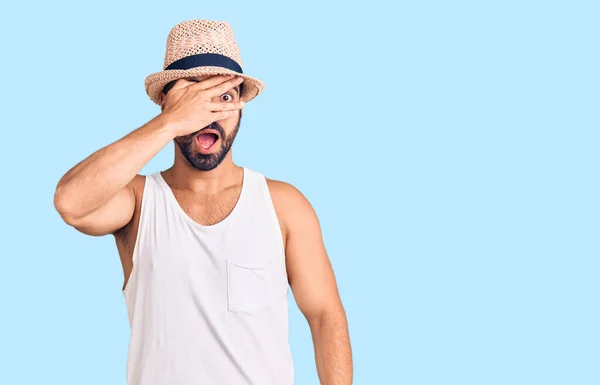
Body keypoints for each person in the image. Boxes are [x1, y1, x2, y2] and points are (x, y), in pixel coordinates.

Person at [53, 19, 352, 385]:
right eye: (192, 96)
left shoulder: (283, 205)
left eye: (224, 97)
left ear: (241, 106)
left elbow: (325, 316)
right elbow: (71, 203)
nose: (209, 111)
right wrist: (168, 123)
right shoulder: (136, 201)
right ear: (167, 103)